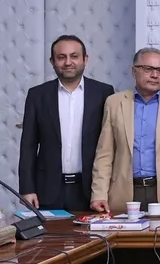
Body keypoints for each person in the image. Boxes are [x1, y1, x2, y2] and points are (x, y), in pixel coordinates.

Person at [91, 48, 160, 212]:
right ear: (134, 71)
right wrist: (99, 194)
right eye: (148, 69)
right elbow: (104, 154)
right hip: (124, 193)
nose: (155, 75)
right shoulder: (114, 103)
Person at [19, 35, 114, 210]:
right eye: (61, 57)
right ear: (52, 62)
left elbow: (110, 144)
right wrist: (27, 189)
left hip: (91, 191)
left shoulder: (104, 93)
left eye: (74, 56)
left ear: (85, 59)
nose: (68, 62)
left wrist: (105, 190)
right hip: (47, 191)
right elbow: (28, 146)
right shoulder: (37, 95)